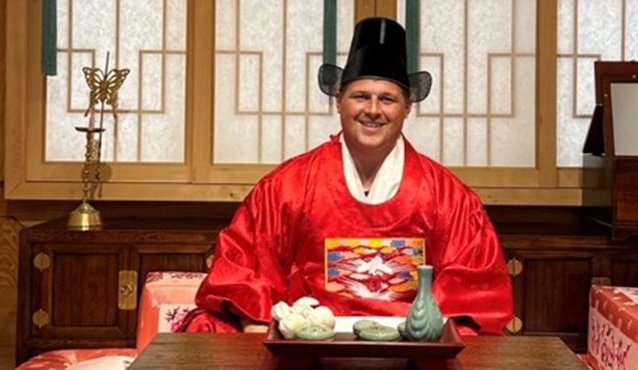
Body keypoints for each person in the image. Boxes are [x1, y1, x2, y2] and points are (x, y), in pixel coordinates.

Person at [179, 17, 512, 335]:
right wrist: (257, 319)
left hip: (414, 349)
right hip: (306, 344)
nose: (372, 110)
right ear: (339, 101)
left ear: (407, 107)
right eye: (360, 96)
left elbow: (475, 289)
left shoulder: (447, 197)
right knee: (212, 327)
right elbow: (244, 268)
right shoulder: (289, 186)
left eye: (387, 99)